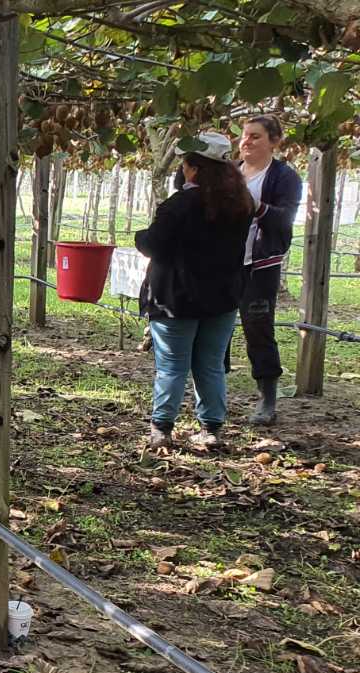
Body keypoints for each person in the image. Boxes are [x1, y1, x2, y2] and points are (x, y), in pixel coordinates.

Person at [135, 132, 254, 450]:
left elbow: (154, 245)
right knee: (211, 363)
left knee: (172, 365)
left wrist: (139, 236)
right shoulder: (242, 204)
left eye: (185, 164)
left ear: (194, 168)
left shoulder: (179, 205)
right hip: (222, 298)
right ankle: (211, 429)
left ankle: (162, 429)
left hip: (177, 298)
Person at [236, 116, 302, 425]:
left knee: (258, 327)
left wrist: (256, 206)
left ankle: (267, 397)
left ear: (274, 142)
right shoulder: (231, 172)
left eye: (255, 137)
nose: (246, 141)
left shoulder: (284, 177)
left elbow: (284, 219)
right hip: (226, 263)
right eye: (244, 136)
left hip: (261, 265)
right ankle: (210, 391)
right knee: (212, 325)